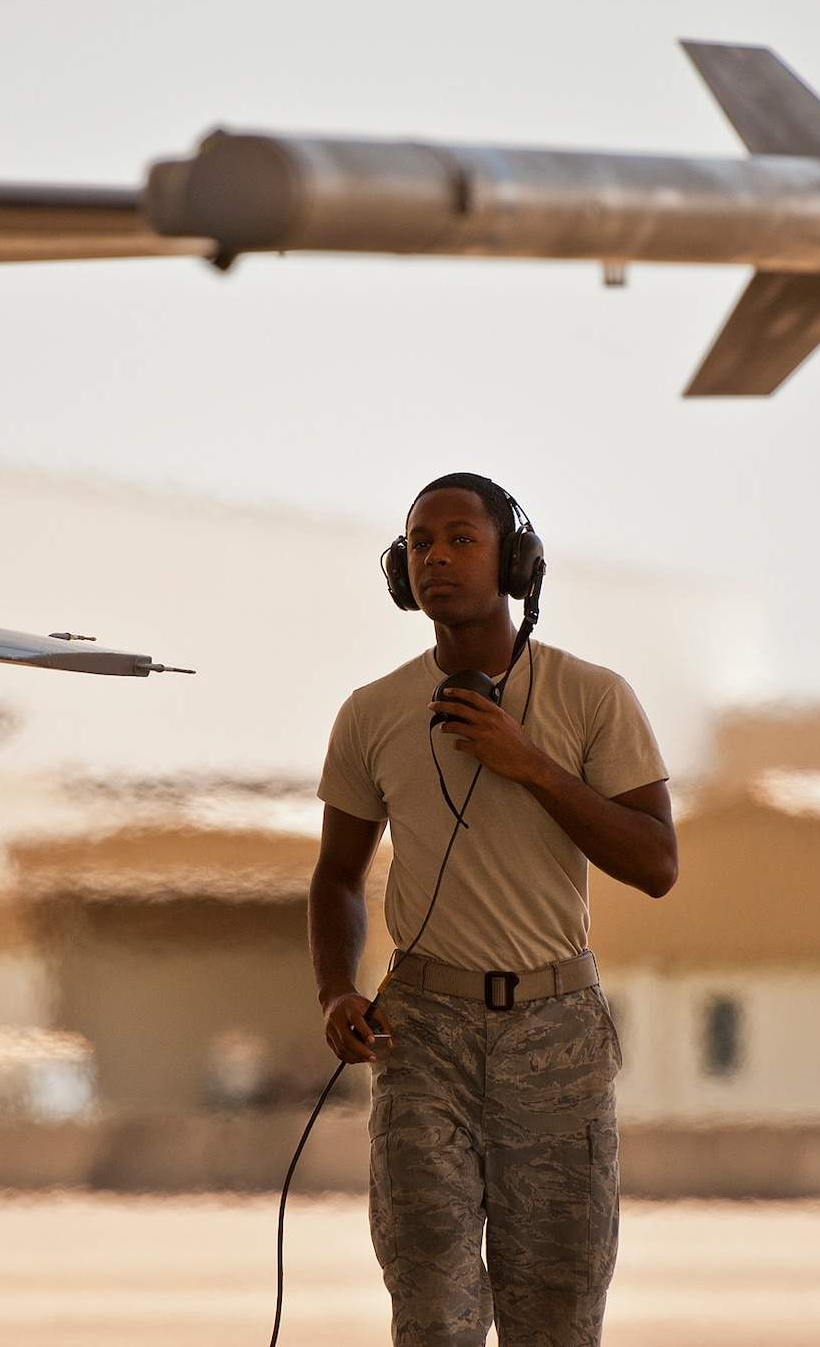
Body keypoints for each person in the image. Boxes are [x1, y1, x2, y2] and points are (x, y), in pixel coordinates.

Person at [309, 472, 678, 1347]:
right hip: (424, 1034)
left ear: (513, 559)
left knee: (555, 1318)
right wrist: (334, 989)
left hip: (554, 1033)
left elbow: (657, 862)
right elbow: (336, 874)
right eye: (420, 542)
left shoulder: (594, 696)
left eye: (460, 537)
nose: (436, 555)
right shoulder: (371, 713)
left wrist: (534, 764)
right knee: (433, 1312)